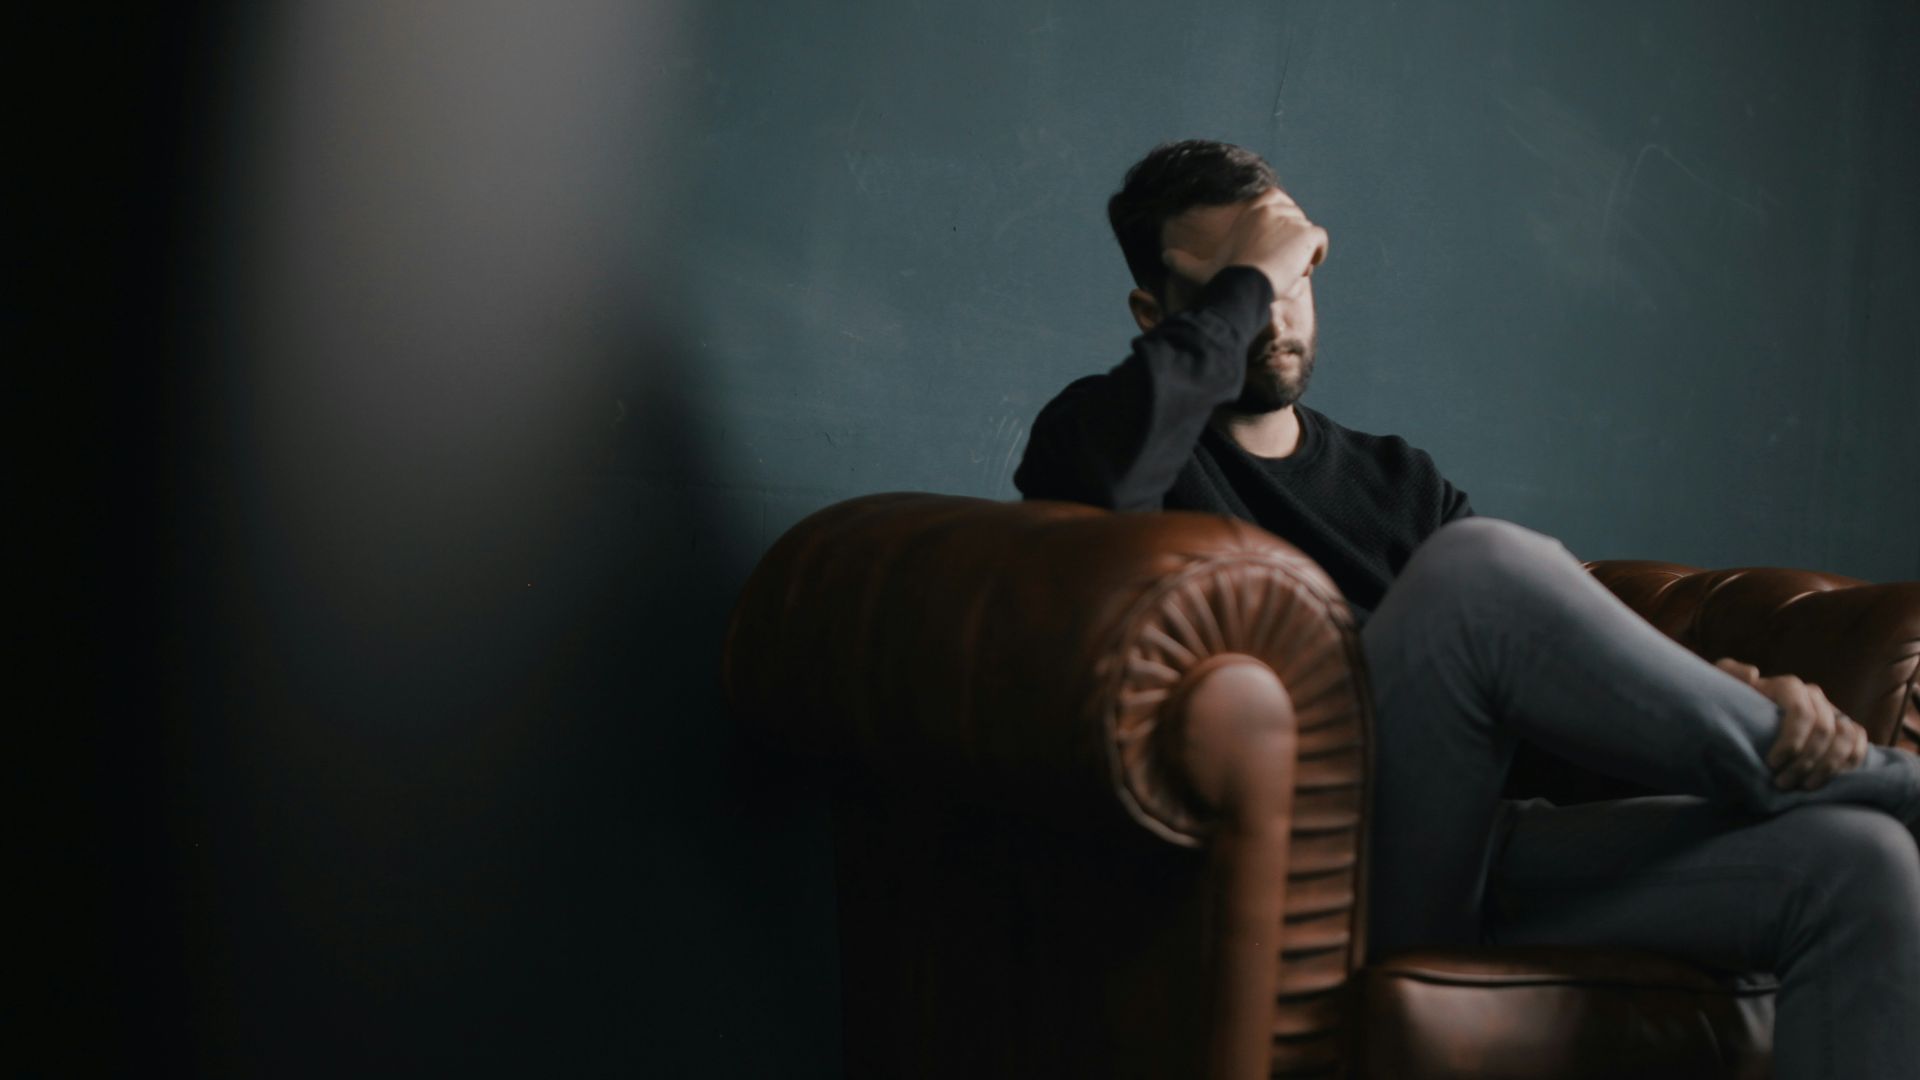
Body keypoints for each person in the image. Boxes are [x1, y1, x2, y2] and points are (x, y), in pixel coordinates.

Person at [1014, 139, 1920, 1079]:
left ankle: (1842, 788)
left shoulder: (1398, 480)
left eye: (1295, 273)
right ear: (1155, 314)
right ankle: (1895, 783)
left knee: (1859, 865)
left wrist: (1718, 696)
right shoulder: (1098, 432)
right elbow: (1104, 494)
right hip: (1323, 878)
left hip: (1479, 855)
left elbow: (1536, 714)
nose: (1274, 313)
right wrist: (1256, 268)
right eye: (1246, 283)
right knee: (1478, 567)